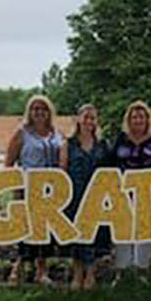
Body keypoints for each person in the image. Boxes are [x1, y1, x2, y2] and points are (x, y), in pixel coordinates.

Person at [6, 94, 67, 285]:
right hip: (28, 188)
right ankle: (18, 269)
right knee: (26, 231)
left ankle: (42, 271)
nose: (39, 112)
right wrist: (16, 188)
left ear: (50, 112)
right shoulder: (21, 134)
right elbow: (9, 163)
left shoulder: (57, 135)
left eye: (43, 109)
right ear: (29, 112)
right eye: (35, 109)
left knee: (45, 233)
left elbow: (63, 162)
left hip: (51, 191)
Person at [112, 100, 151, 278]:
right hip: (123, 191)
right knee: (123, 229)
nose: (138, 120)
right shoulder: (121, 139)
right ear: (128, 120)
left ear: (147, 119)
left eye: (141, 116)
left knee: (145, 230)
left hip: (148, 192)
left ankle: (141, 269)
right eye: (134, 117)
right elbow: (111, 162)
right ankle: (122, 270)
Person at [65, 104, 112, 290]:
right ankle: (77, 274)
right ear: (78, 119)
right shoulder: (68, 144)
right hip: (74, 193)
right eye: (86, 117)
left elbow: (110, 169)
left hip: (97, 194)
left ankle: (90, 274)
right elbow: (62, 169)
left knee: (94, 235)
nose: (89, 121)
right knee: (76, 235)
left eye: (92, 117)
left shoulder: (103, 145)